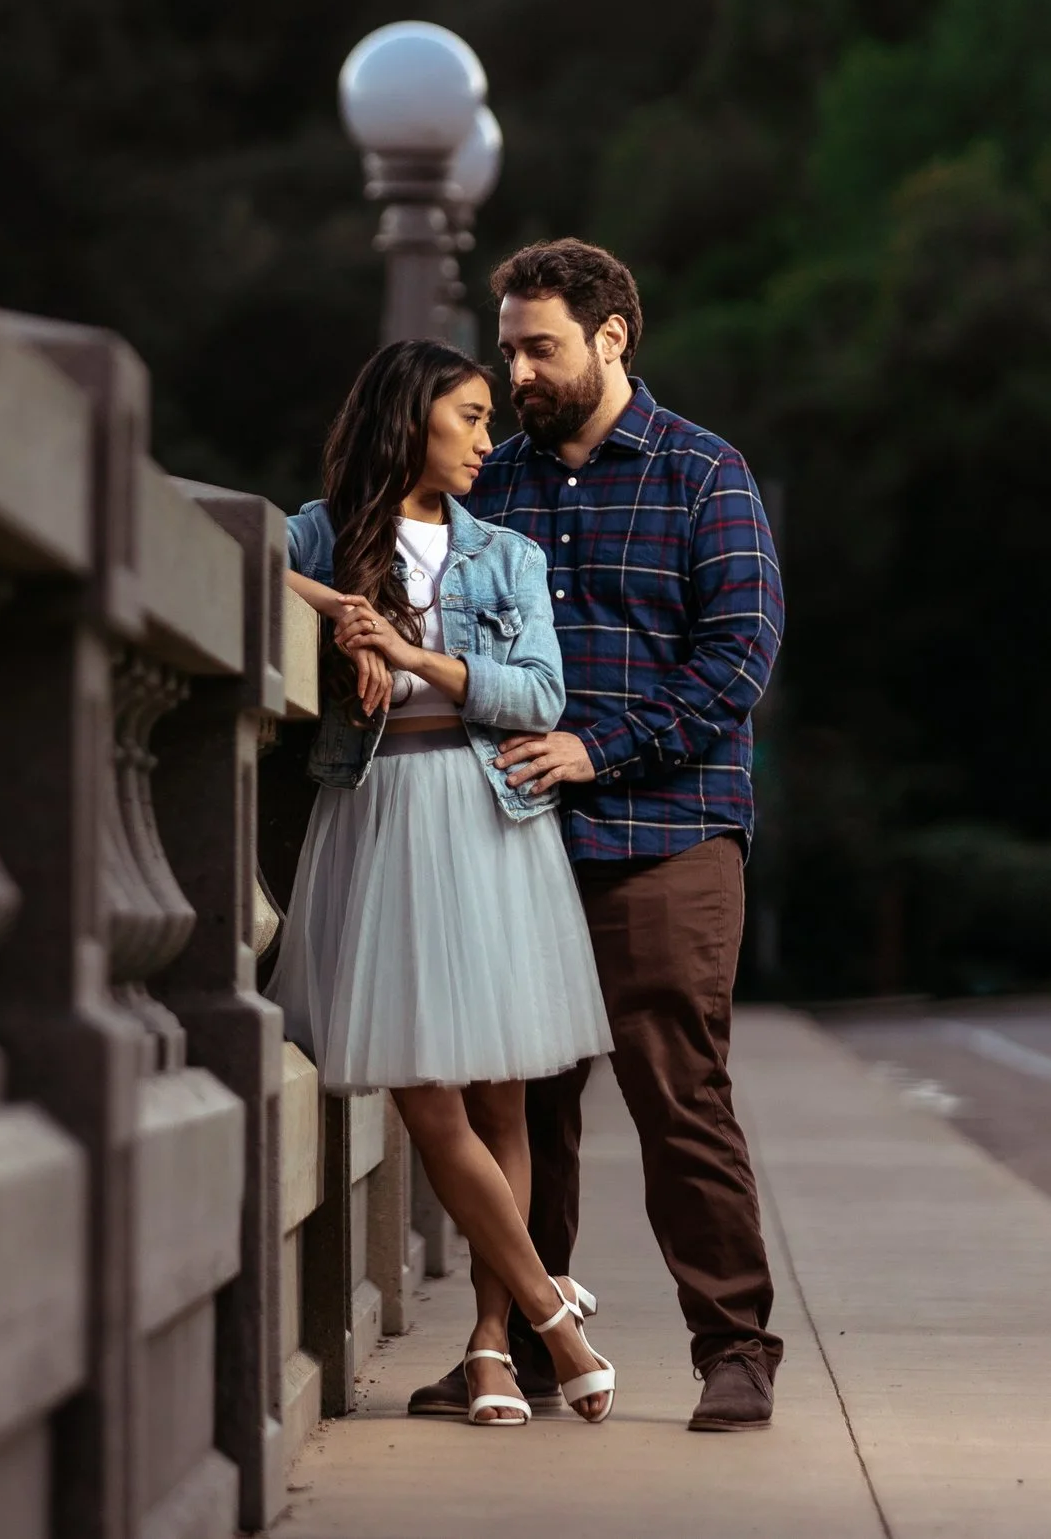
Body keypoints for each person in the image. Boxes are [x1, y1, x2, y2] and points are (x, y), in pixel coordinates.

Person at [406, 238, 789, 1432]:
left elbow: (738, 657)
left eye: (540, 346)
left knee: (678, 1090)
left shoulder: (701, 474)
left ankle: (733, 1347)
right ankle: (522, 1346)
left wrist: (596, 746)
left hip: (667, 832)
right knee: (522, 1103)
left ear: (611, 339)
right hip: (513, 839)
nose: (516, 369)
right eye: (508, 345)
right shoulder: (492, 482)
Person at [271, 338, 618, 1426]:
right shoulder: (323, 531)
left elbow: (542, 694)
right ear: (409, 416)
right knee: (428, 1093)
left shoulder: (504, 555)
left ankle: (490, 1346)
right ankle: (553, 1315)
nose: (484, 436)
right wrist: (338, 612)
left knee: (499, 1093)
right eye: (466, 415)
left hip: (484, 819)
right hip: (380, 814)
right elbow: (221, 553)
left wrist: (413, 655)